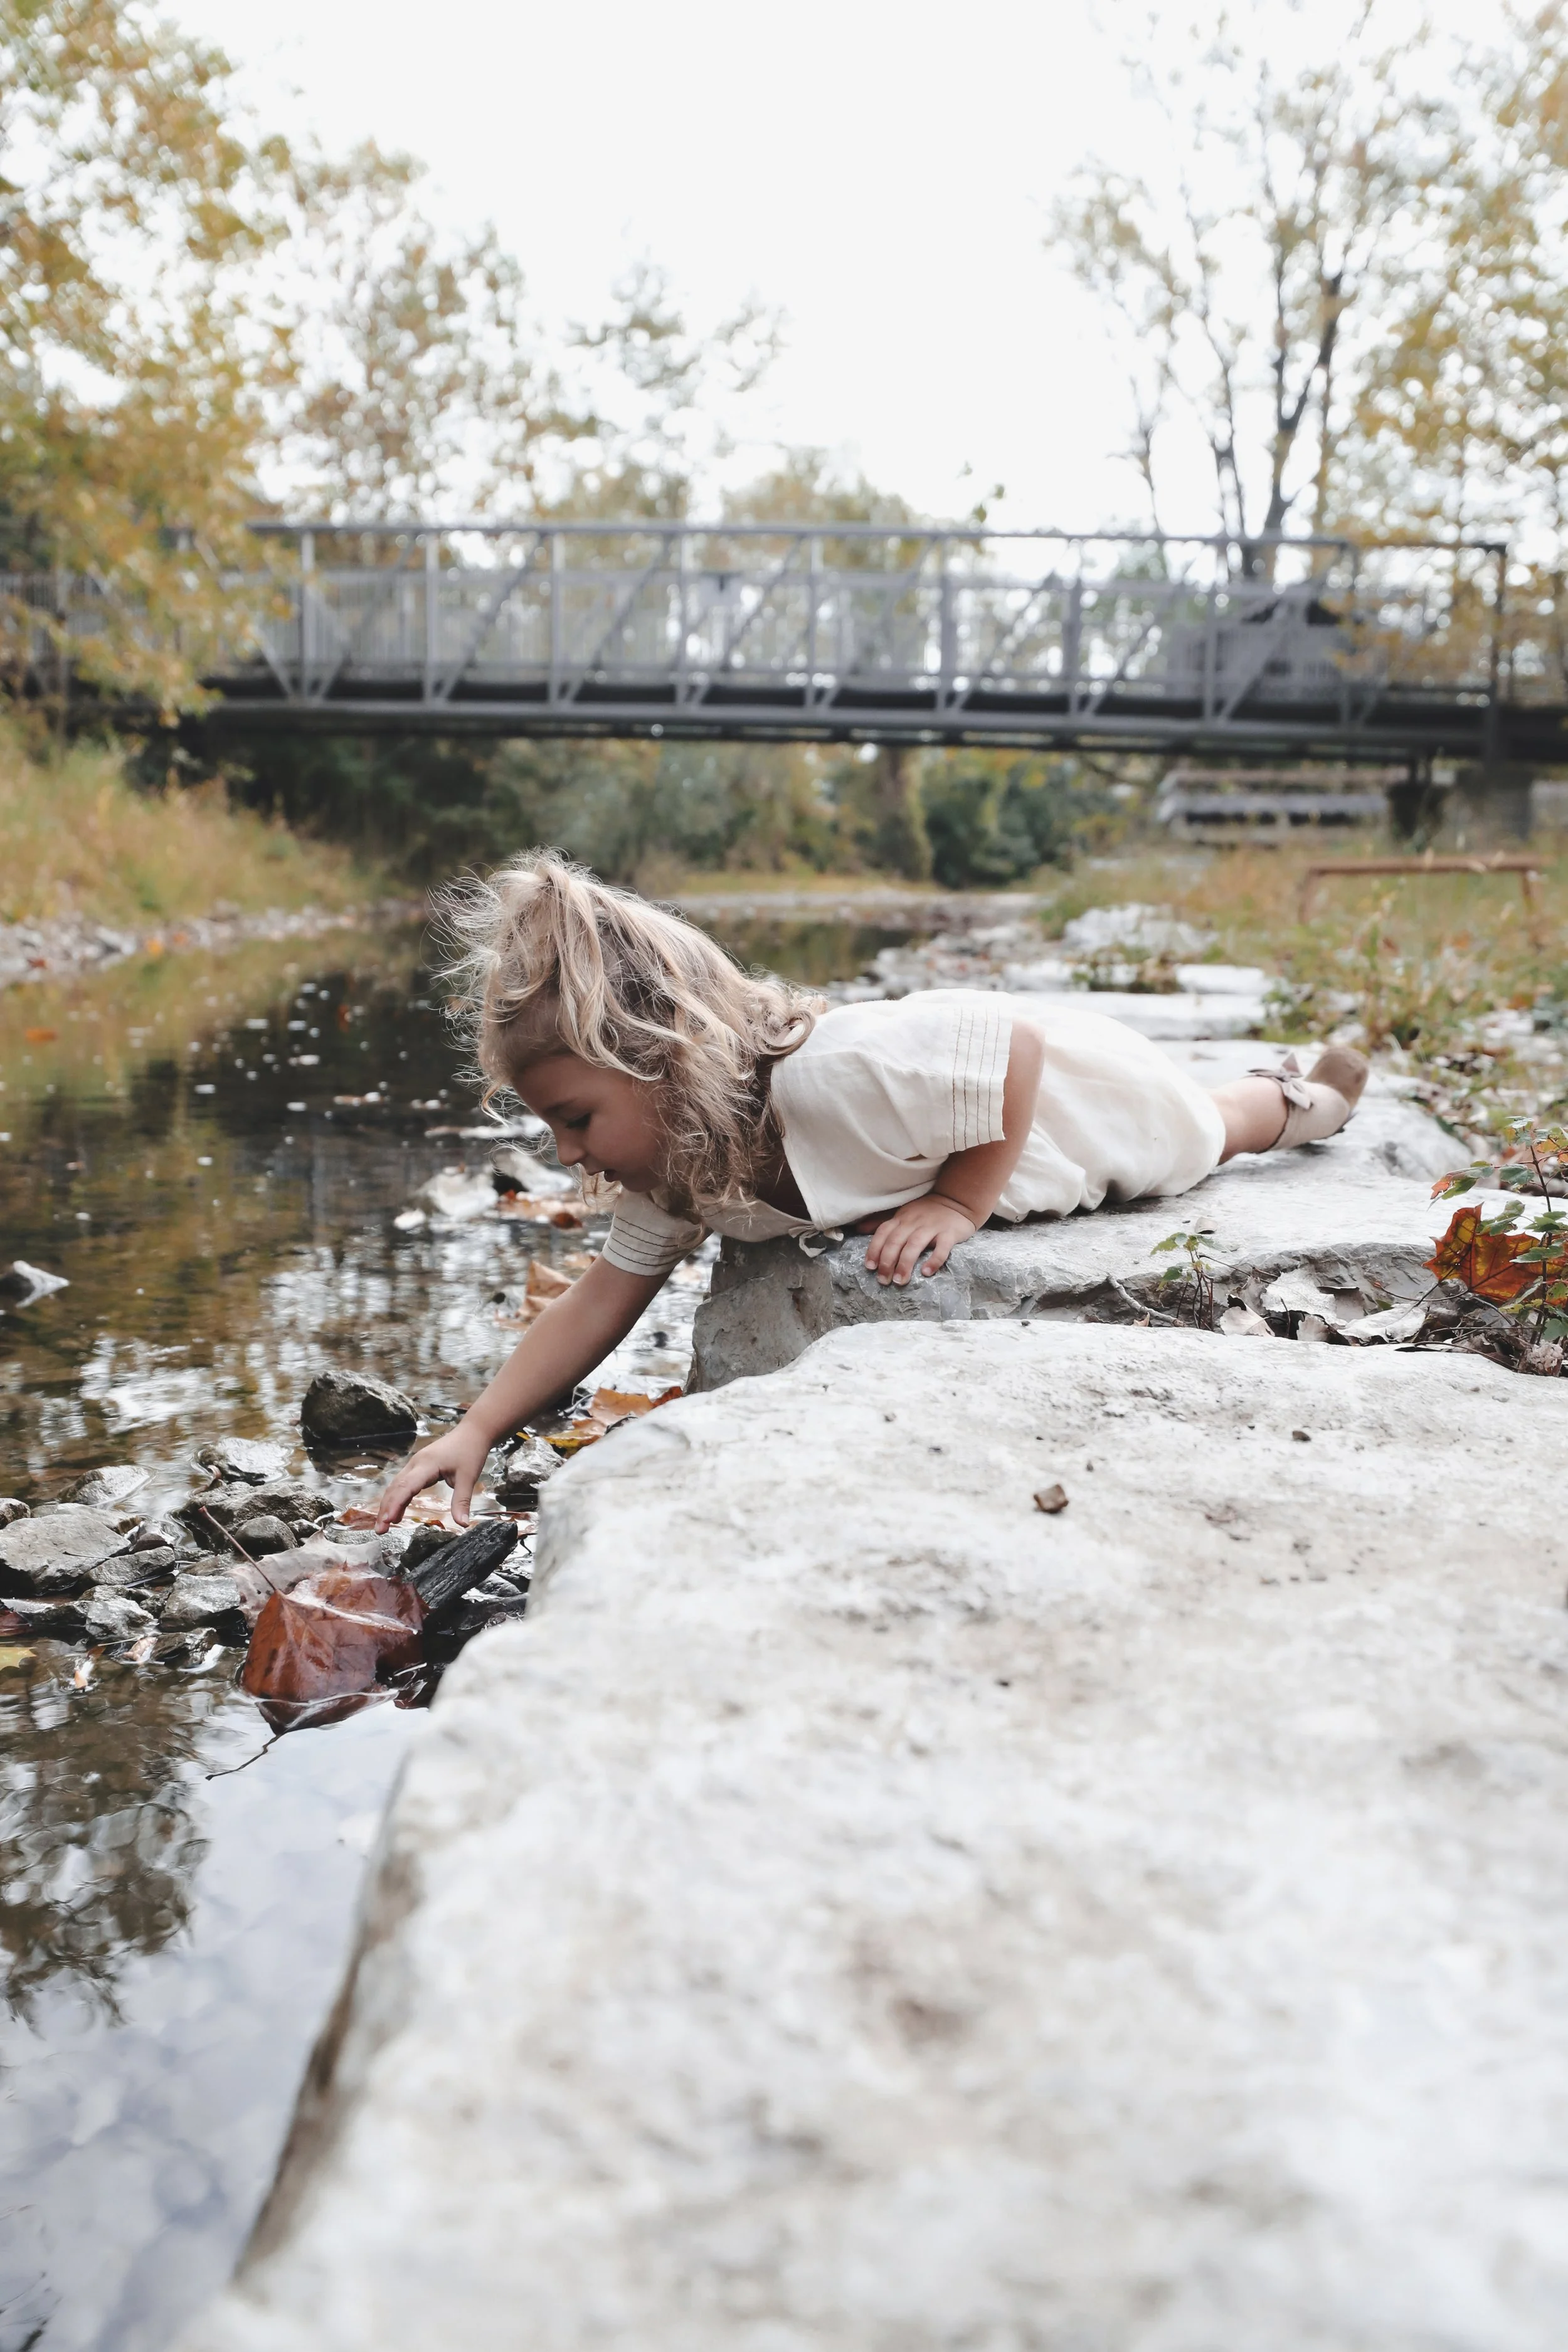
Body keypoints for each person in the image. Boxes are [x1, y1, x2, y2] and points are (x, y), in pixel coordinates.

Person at [375, 852, 1367, 1529]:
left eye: (575, 1118)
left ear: (664, 1060)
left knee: (1212, 1126)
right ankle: (1297, 1088)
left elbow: (1011, 1041)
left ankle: (1310, 1096)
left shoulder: (828, 1074)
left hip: (1077, 1114)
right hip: (994, 1122)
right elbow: (600, 1296)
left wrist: (961, 1203)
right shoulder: (683, 1169)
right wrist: (475, 1427)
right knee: (1213, 1121)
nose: (565, 1154)